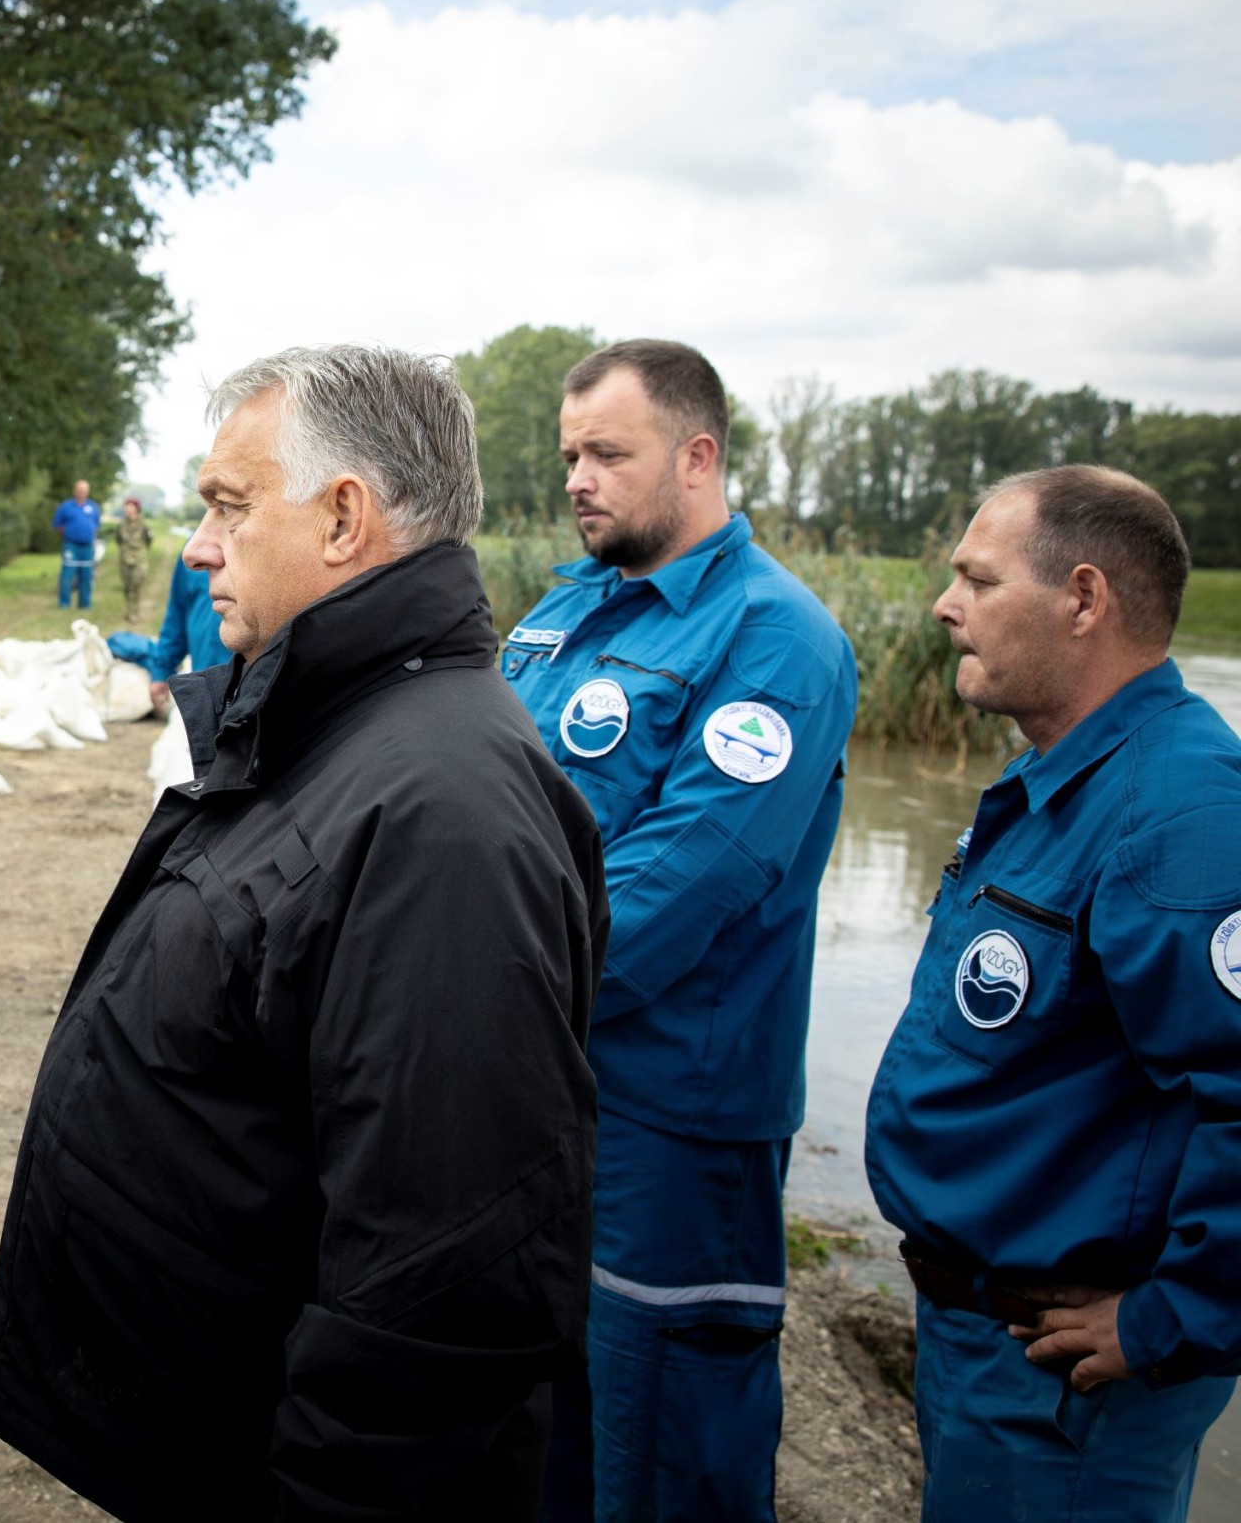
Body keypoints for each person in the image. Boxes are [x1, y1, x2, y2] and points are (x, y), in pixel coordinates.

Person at [0, 346, 606, 1519]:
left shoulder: (443, 817)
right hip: (208, 1435)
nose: (197, 546)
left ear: (344, 517)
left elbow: (441, 1290)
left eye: (227, 506)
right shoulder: (330, 725)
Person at [500, 340, 858, 1523]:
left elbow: (672, 888)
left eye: (608, 453)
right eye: (569, 457)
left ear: (697, 457)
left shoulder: (777, 639)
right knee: (540, 1425)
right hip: (538, 1090)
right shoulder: (567, 610)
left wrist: (457, 994)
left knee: (660, 1455)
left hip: (670, 1125)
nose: (579, 479)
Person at [866, 467, 1241, 1523]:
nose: (944, 606)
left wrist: (1172, 1315)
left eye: (976, 580)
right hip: (987, 1349)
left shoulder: (1180, 812)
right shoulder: (1069, 777)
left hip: (1069, 1386)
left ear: (1082, 599)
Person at [144, 531, 231, 716]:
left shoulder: (270, 546)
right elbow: (177, 615)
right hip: (207, 681)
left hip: (258, 687)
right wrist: (162, 670)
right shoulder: (195, 549)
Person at [51, 478, 100, 608]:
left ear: (88, 492)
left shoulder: (93, 507)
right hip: (71, 545)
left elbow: (96, 526)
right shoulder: (66, 506)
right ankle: (64, 603)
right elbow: (56, 525)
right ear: (74, 491)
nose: (82, 493)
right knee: (67, 575)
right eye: (80, 490)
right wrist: (69, 533)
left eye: (85, 491)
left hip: (87, 547)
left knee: (86, 576)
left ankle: (85, 603)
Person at [113, 495, 152, 623]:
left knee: (136, 586)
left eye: (131, 507)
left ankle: (134, 613)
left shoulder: (143, 525)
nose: (128, 510)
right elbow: (118, 540)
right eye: (127, 507)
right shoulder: (121, 525)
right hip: (124, 560)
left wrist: (138, 552)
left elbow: (148, 541)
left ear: (136, 508)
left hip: (139, 560)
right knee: (126, 587)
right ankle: (129, 610)